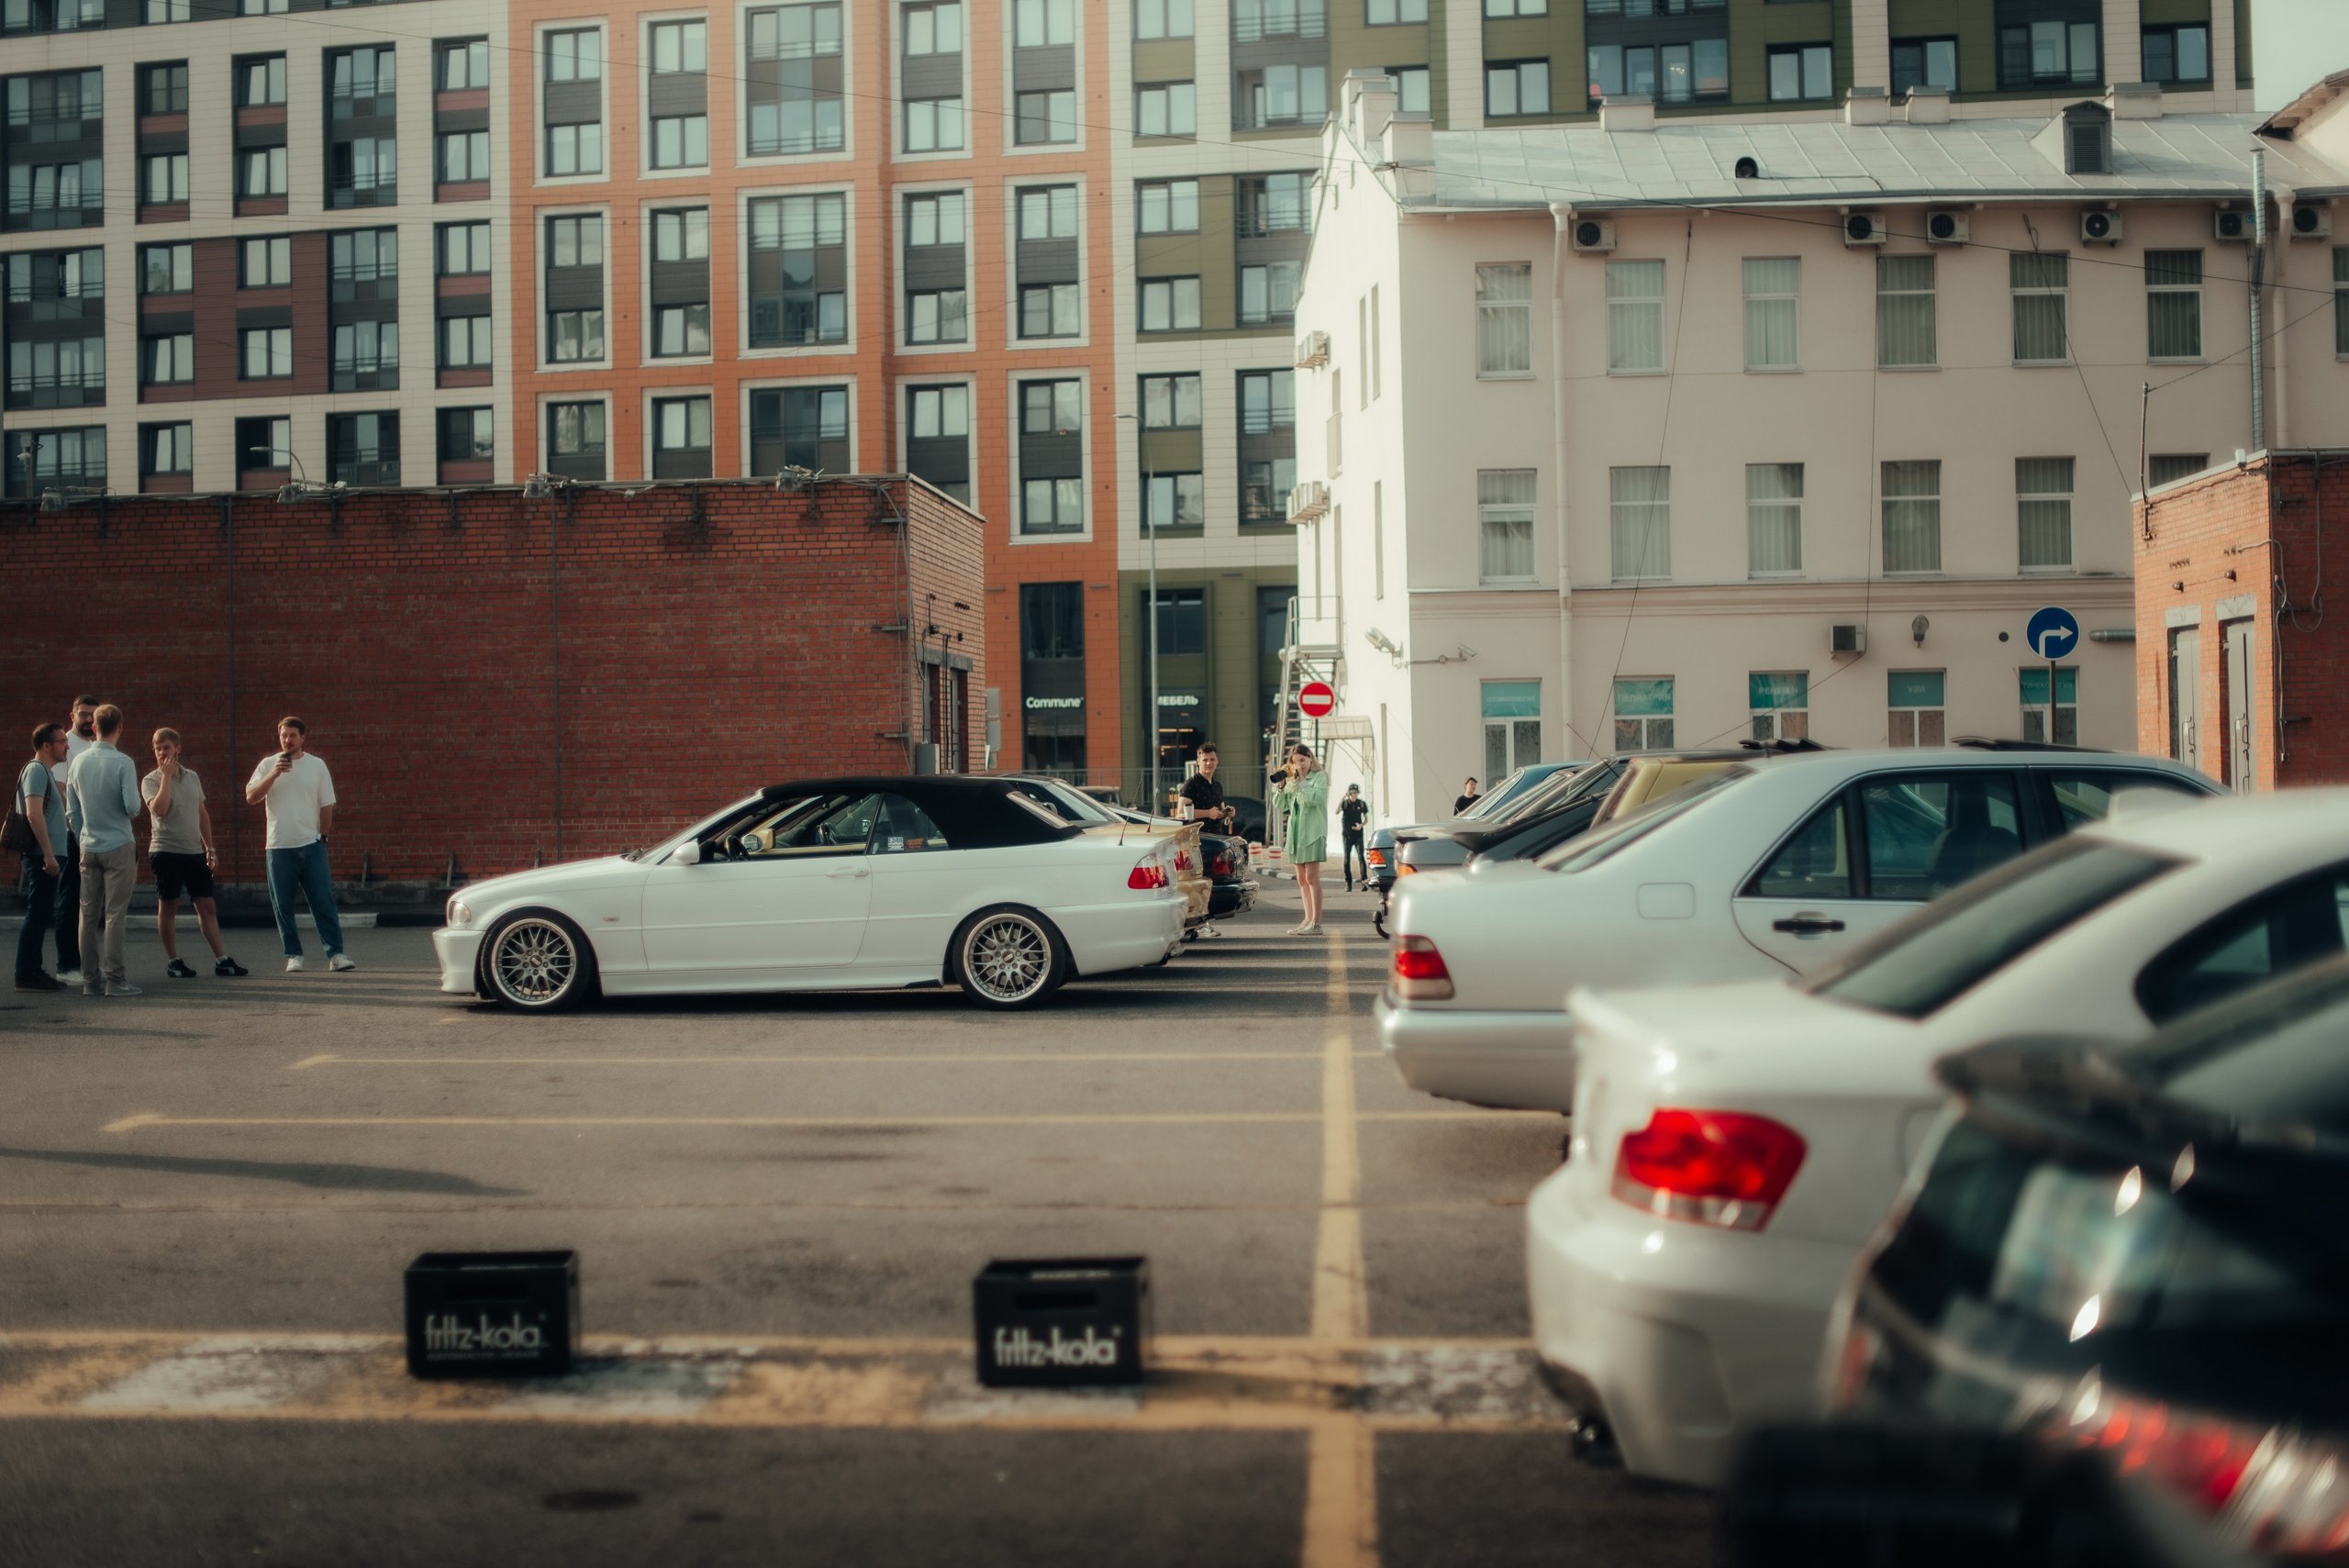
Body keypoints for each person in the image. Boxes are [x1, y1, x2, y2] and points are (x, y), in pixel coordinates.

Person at [246, 717, 354, 973]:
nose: (288, 740)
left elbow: (327, 803)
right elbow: (251, 797)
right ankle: (294, 955)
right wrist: (274, 773)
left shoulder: (316, 766)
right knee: (282, 904)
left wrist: (322, 836)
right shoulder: (268, 765)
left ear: (303, 738)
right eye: (284, 735)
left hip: (311, 845)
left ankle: (336, 954)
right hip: (279, 846)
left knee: (323, 902)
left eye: (293, 735)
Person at [143, 728, 246, 979]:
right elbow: (161, 809)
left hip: (193, 852)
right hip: (166, 851)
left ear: (178, 748)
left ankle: (222, 959)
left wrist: (209, 848)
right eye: (157, 749)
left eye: (166, 748)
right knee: (169, 906)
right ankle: (173, 960)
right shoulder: (151, 780)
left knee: (207, 905)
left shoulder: (192, 777)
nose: (161, 753)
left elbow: (202, 814)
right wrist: (166, 777)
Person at [65, 704, 143, 997]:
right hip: (119, 843)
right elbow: (133, 808)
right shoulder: (124, 762)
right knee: (114, 916)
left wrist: (83, 836)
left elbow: (72, 811)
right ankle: (116, 979)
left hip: (88, 844)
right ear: (119, 728)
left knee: (87, 915)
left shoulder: (78, 762)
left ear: (94, 727)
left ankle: (90, 981)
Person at [14, 724, 71, 992]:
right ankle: (25, 974)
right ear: (46, 745)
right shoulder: (36, 770)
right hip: (41, 856)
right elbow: (33, 814)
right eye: (61, 741)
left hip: (47, 855)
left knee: (41, 914)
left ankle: (34, 971)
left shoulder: (44, 772)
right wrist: (49, 854)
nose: (67, 745)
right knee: (37, 915)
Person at [49, 695, 98, 987]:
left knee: (88, 904)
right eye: (84, 714)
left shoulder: (95, 745)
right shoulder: (66, 745)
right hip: (72, 836)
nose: (89, 719)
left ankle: (85, 965)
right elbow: (60, 791)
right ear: (72, 715)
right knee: (69, 901)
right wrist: (77, 833)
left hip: (93, 836)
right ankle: (66, 966)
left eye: (93, 715)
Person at [1174, 742, 1238, 939]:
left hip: (1215, 839)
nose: (1208, 763)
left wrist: (1227, 813)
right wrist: (1207, 814)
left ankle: (1202, 923)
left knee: (1209, 883)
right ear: (1198, 762)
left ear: (1217, 761)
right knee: (1199, 884)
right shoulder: (1191, 784)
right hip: (1197, 840)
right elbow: (1180, 813)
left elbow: (1218, 813)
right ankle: (1199, 924)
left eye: (1212, 760)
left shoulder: (1216, 785)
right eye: (1205, 760)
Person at [1274, 743, 1330, 936]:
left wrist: (1302, 781)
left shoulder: (1319, 777)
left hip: (1313, 833)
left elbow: (1316, 799)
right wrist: (1282, 785)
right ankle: (1307, 919)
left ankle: (1317, 922)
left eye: (1303, 760)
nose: (1299, 765)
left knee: (1312, 878)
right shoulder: (1292, 781)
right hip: (1296, 835)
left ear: (1311, 759)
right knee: (1301, 879)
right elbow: (1281, 805)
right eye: (1295, 761)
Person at [1339, 784, 1369, 892]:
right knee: (1347, 859)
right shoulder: (1345, 803)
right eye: (1352, 793)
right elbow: (1337, 810)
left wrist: (1361, 825)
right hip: (1347, 835)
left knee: (1361, 857)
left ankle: (1364, 882)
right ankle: (1348, 883)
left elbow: (1366, 819)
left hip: (1358, 835)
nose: (1354, 795)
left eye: (1356, 793)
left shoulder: (1361, 803)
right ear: (1349, 793)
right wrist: (1343, 797)